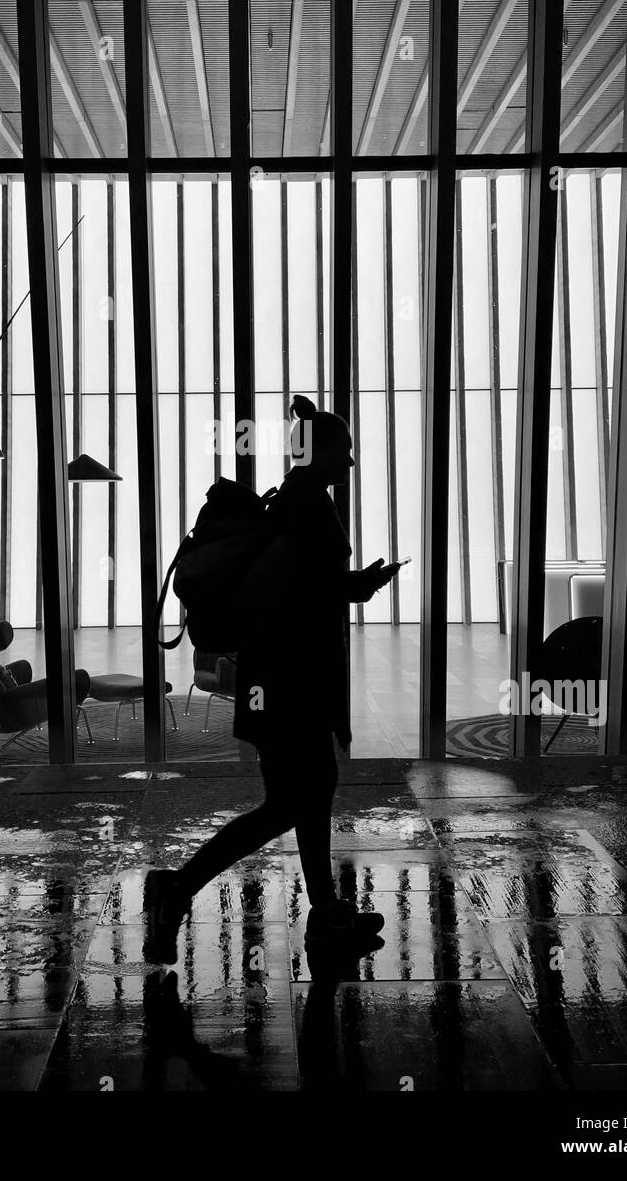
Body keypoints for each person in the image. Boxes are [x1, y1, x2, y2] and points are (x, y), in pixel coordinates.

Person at [144, 394, 401, 964]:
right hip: (292, 683)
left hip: (283, 680)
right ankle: (177, 887)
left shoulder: (295, 500)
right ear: (323, 453)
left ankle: (328, 911)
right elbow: (306, 593)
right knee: (291, 803)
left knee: (311, 794)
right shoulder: (306, 504)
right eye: (347, 451)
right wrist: (356, 586)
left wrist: (350, 584)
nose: (352, 463)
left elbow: (298, 585)